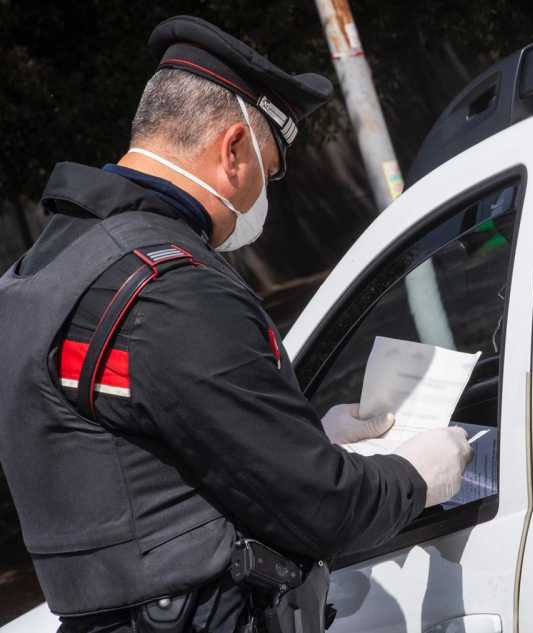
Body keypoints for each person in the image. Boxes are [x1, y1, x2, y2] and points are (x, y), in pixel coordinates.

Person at [0, 15, 471, 633]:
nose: (265, 193)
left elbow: (142, 460)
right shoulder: (171, 288)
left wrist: (301, 440)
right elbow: (323, 510)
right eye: (271, 168)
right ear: (232, 150)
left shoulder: (49, 268)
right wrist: (415, 476)